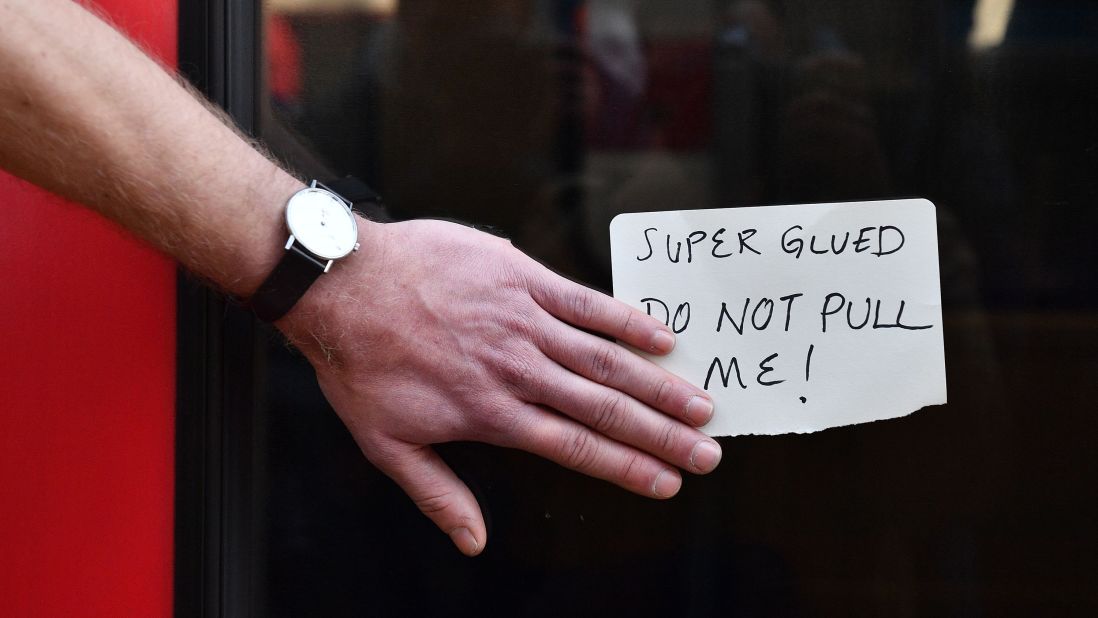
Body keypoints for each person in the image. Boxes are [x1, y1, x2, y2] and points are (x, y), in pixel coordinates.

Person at [0, 0, 721, 556]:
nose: (505, 41)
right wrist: (341, 283)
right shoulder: (276, 103)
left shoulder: (595, 108)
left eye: (521, 22)